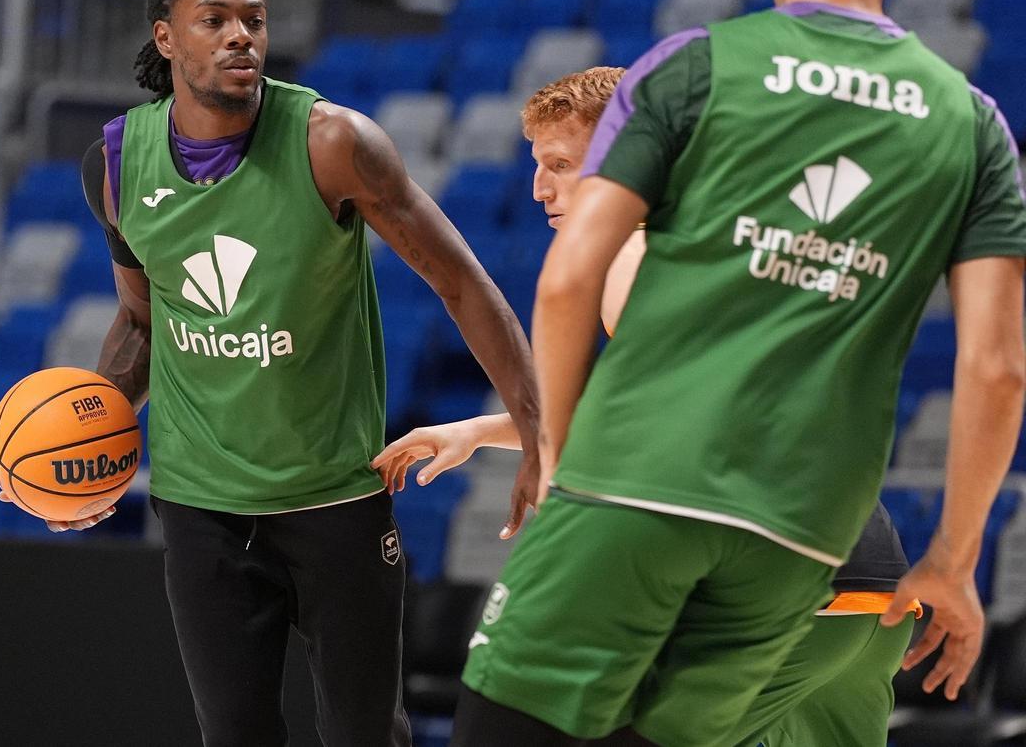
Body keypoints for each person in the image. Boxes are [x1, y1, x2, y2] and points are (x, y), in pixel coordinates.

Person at [446, 0, 1026, 744]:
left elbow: (570, 279)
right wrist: (957, 559)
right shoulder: (973, 122)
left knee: (502, 725)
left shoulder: (695, 66)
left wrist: (562, 466)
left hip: (651, 494)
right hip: (815, 533)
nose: (543, 186)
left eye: (557, 167)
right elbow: (998, 368)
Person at [13, 0, 542, 747]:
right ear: (166, 38)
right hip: (202, 505)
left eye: (254, 20)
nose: (241, 36)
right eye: (215, 20)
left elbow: (462, 283)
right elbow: (144, 321)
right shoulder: (117, 164)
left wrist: (535, 428)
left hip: (334, 497)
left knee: (366, 735)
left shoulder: (333, 142)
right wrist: (90, 447)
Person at [374, 65, 921, 746]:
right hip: (871, 582)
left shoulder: (632, 251)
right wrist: (485, 430)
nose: (539, 187)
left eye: (560, 164)